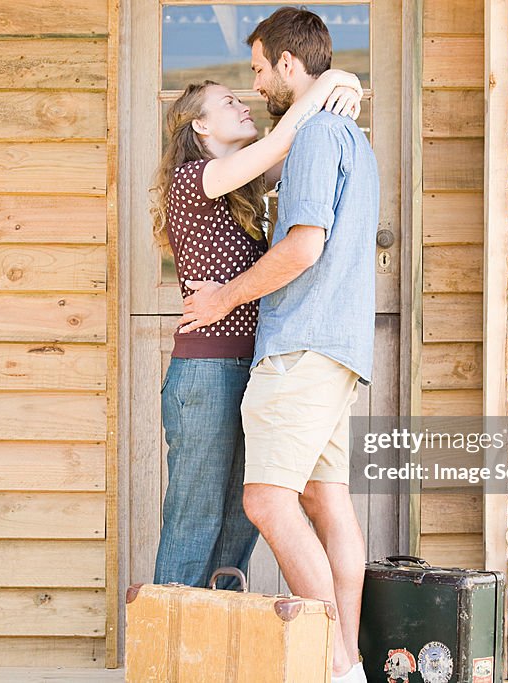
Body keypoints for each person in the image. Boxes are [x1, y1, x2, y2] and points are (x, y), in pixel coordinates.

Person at [177, 8, 379, 682]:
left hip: (299, 344)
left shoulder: (319, 133)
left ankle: (339, 662)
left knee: (266, 502)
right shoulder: (349, 133)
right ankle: (347, 661)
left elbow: (304, 246)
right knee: (326, 501)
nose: (255, 85)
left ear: (289, 64)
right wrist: (339, 79)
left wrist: (226, 295)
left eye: (259, 69)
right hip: (339, 347)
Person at [151, 66, 362, 591]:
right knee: (194, 518)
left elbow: (296, 148)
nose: (244, 105)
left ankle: (219, 647)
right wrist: (333, 76)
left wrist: (347, 88)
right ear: (199, 128)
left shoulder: (240, 186)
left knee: (239, 525)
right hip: (205, 372)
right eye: (227, 103)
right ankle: (172, 659)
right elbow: (286, 137)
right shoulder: (192, 180)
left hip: (249, 367)